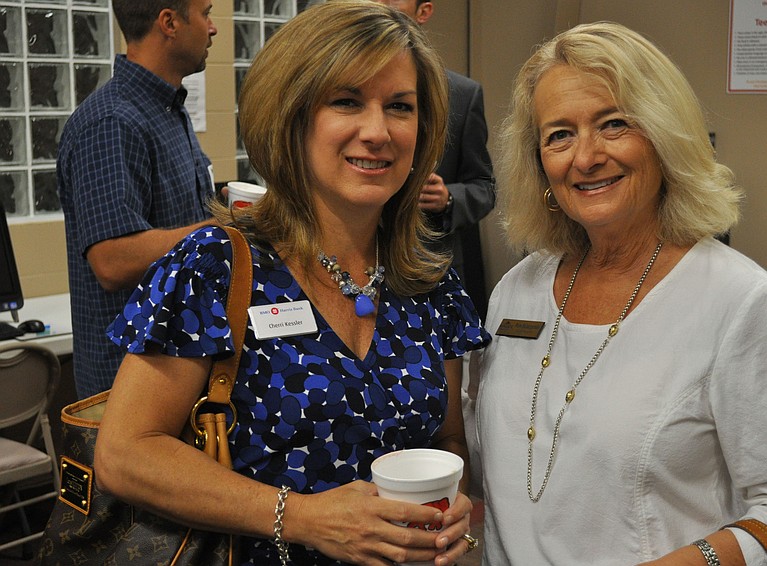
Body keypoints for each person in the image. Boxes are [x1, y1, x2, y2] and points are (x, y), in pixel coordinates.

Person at [95, 2, 490, 565]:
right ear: (292, 115)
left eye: (400, 107)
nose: (377, 131)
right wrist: (303, 518)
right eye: (347, 101)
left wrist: (453, 506)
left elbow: (446, 441)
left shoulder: (429, 281)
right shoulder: (216, 266)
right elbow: (126, 453)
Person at [470, 21, 767, 565]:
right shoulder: (517, 291)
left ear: (664, 135)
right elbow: (509, 469)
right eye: (559, 135)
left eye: (614, 124)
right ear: (538, 162)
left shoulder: (739, 302)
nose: (585, 156)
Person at [57, 0, 218, 398]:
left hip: (176, 371)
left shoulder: (167, 110)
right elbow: (112, 260)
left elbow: (175, 222)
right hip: (129, 388)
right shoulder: (112, 122)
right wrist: (220, 230)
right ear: (169, 22)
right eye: (206, 13)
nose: (213, 28)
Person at [371, 0, 495, 320]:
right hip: (349, 264)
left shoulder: (461, 94)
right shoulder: (333, 81)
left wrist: (450, 197)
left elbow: (484, 187)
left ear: (423, 12)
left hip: (428, 268)